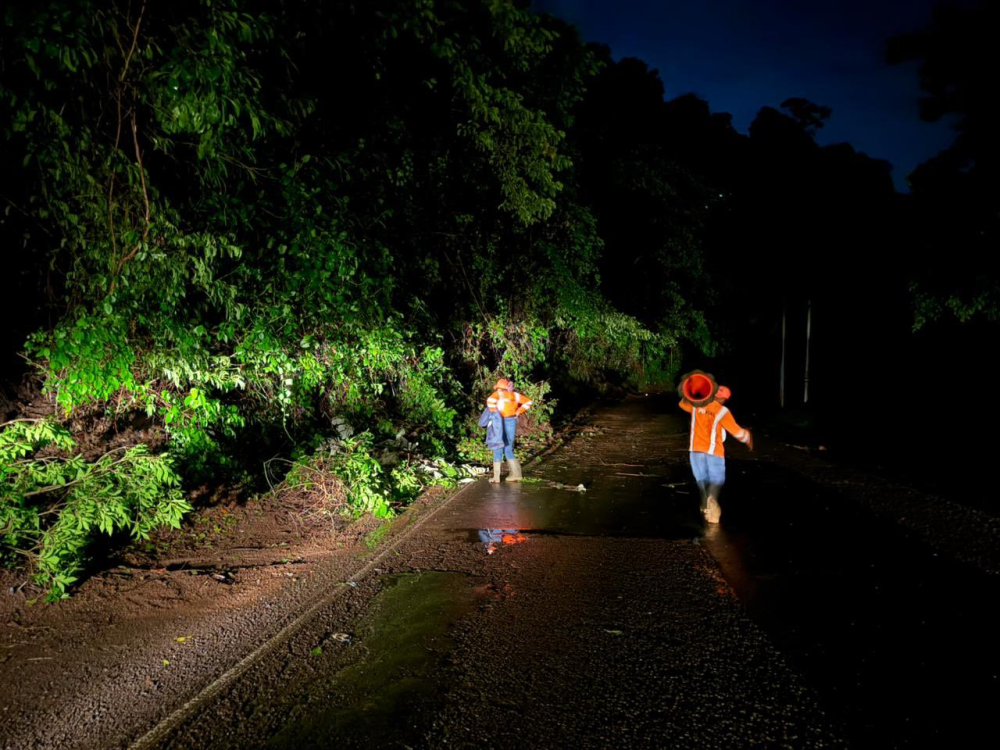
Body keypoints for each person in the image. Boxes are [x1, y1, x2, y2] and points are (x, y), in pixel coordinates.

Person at [678, 384, 753, 523]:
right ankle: (712, 499)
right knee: (717, 480)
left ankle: (704, 502)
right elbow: (737, 432)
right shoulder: (722, 411)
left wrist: (689, 393)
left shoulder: (696, 405)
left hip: (695, 451)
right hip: (714, 452)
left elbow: (682, 403)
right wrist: (747, 436)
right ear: (724, 399)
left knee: (701, 478)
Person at [485, 378, 532, 483]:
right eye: (498, 388)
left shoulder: (501, 395)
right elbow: (528, 402)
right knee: (507, 447)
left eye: (500, 388)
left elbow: (490, 401)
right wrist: (518, 411)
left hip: (500, 422)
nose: (499, 390)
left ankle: (497, 477)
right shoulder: (513, 395)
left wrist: (494, 413)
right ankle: (515, 475)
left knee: (500, 446)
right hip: (509, 421)